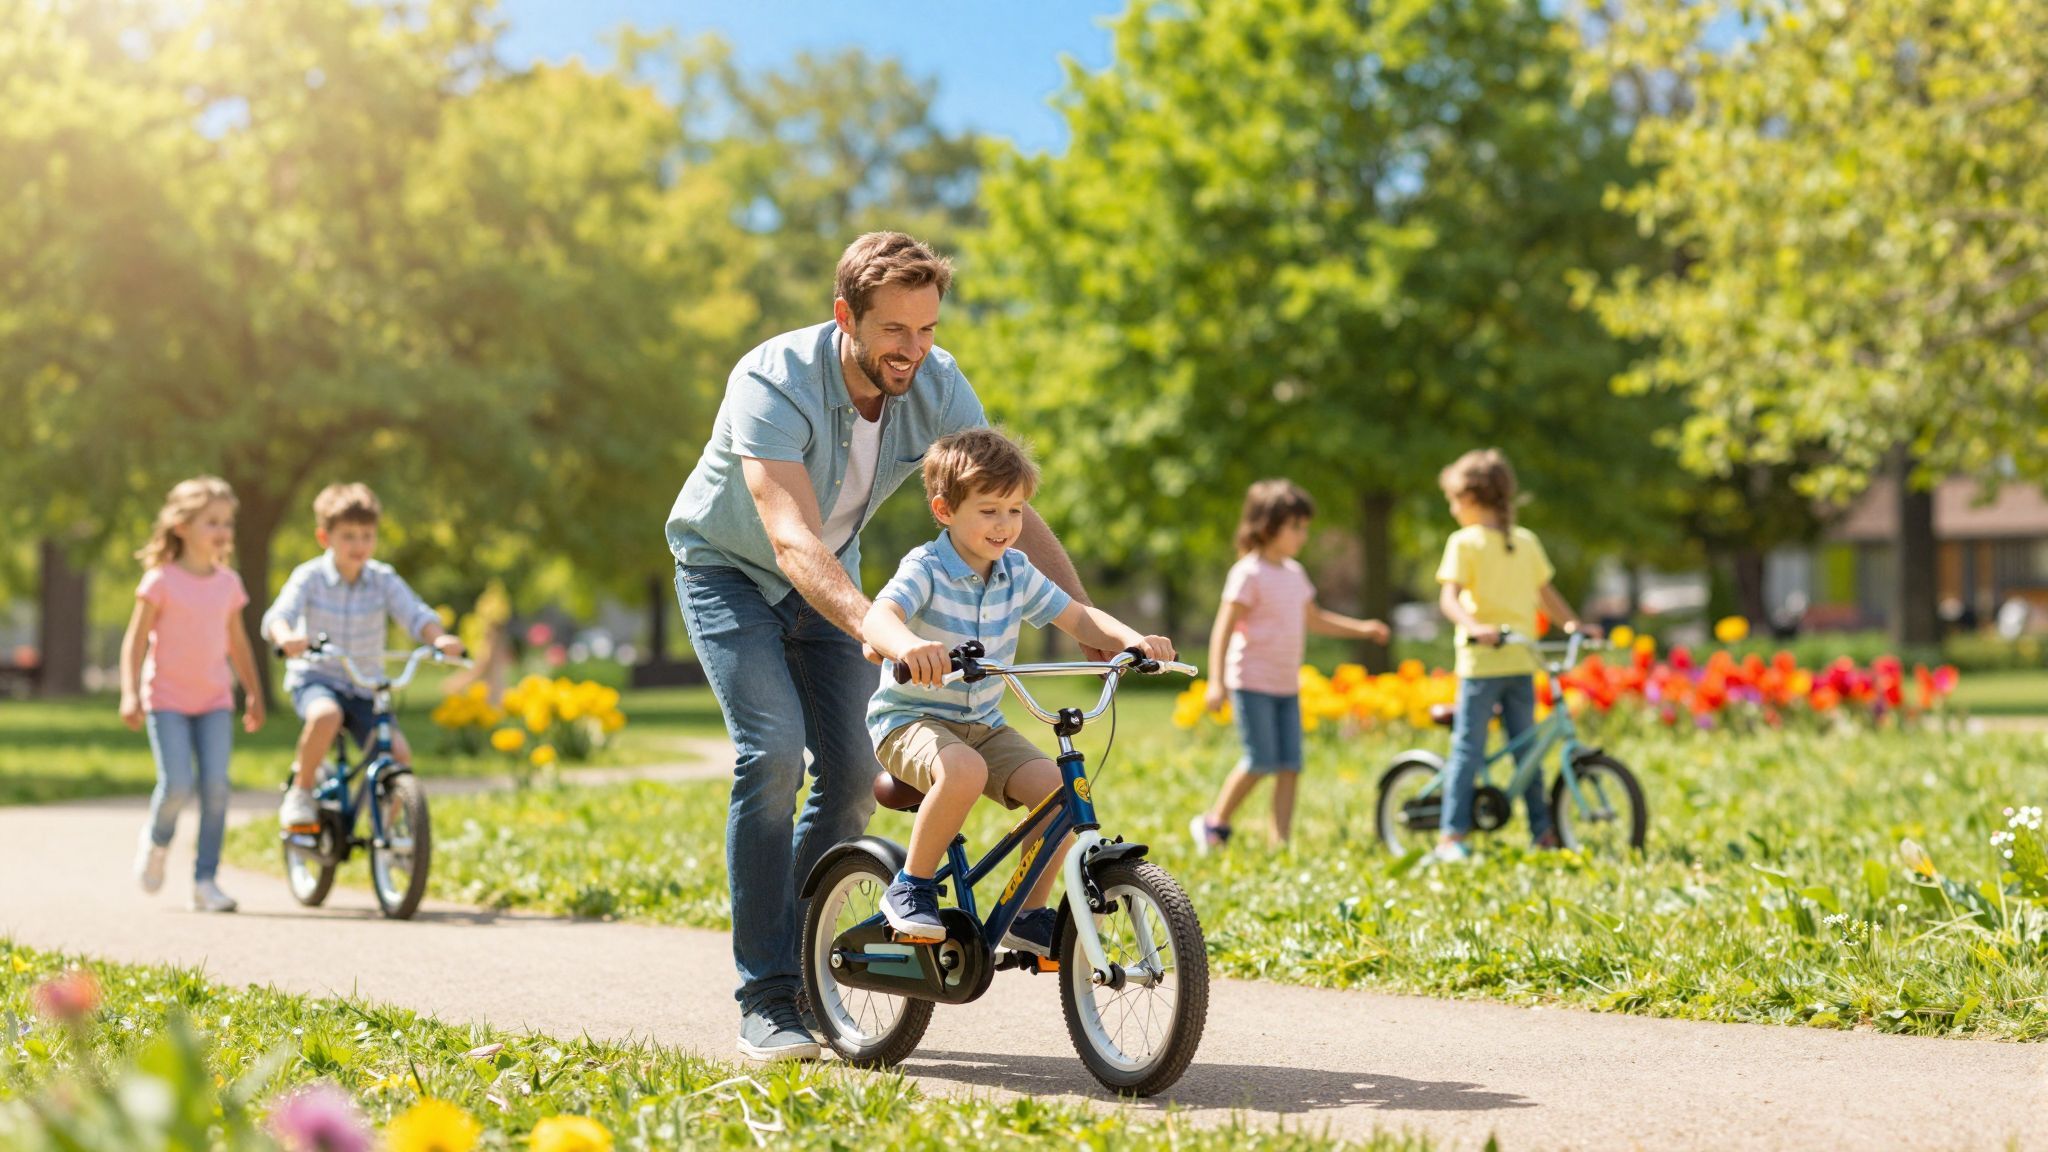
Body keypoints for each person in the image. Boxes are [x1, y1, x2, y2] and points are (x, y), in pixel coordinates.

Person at [666, 232, 1097, 1062]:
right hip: (731, 573)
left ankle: (807, 961)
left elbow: (1005, 502)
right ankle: (766, 996)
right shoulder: (771, 380)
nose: (914, 349)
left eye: (927, 328)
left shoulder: (938, 382)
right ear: (846, 317)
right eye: (894, 330)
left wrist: (1084, 620)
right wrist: (887, 633)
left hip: (837, 583)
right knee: (772, 754)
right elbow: (789, 537)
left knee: (851, 777)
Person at [864, 428, 1174, 948]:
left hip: (983, 724)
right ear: (944, 510)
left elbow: (1080, 619)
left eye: (1015, 510)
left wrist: (1133, 640)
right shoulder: (926, 568)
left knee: (1060, 792)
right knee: (964, 769)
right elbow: (880, 618)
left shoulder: (1017, 571)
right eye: (989, 511)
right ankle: (911, 885)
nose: (1005, 524)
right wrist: (910, 647)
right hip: (911, 721)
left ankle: (1028, 914)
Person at [1189, 479, 1388, 851]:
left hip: (1285, 684)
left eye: (1305, 527)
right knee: (1260, 760)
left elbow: (1315, 618)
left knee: (1290, 765)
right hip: (1252, 682)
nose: (1303, 535)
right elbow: (1223, 629)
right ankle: (1214, 824)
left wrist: (1362, 629)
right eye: (1295, 527)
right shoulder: (1248, 573)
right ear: (1267, 526)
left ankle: (1279, 841)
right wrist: (1217, 681)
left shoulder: (1295, 573)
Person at [260, 483, 463, 829]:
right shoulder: (309, 578)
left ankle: (387, 833)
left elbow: (416, 615)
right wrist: (287, 637)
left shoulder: (383, 579)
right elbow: (279, 616)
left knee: (398, 754)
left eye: (367, 536)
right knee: (327, 716)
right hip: (318, 679)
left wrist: (439, 638)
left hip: (365, 686)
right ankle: (302, 791)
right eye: (348, 536)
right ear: (325, 537)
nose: (359, 545)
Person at [1432, 449, 1597, 864]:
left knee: (1529, 754)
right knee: (1469, 748)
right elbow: (1449, 598)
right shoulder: (1465, 544)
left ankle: (1543, 832)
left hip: (1521, 662)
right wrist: (1474, 627)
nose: (1453, 510)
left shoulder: (1524, 542)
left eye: (1454, 500)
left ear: (1471, 498)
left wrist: (1573, 625)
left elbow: (1545, 594)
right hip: (1483, 663)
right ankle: (1451, 835)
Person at [120, 476, 265, 913]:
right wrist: (130, 693)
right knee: (178, 785)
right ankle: (158, 840)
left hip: (215, 701)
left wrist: (254, 692)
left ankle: (205, 881)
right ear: (182, 526)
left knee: (216, 787)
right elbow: (135, 641)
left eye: (227, 522)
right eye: (211, 522)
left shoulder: (228, 584)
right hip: (167, 702)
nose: (223, 531)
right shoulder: (160, 581)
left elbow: (238, 643)